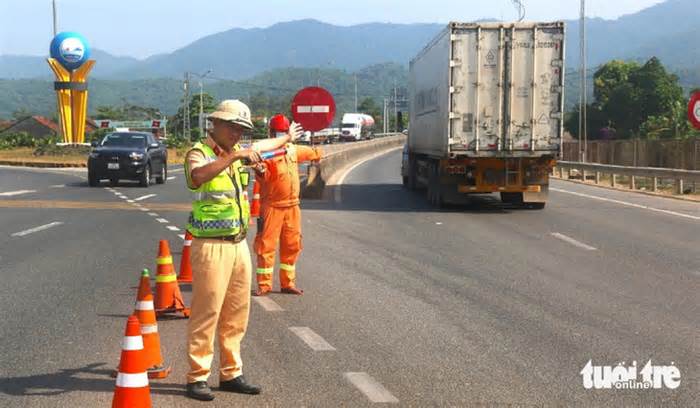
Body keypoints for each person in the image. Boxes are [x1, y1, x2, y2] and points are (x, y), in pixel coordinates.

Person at [184, 100, 302, 401]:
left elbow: (264, 144)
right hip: (210, 246)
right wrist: (235, 156)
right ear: (217, 124)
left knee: (237, 312)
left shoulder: (239, 154)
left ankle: (231, 373)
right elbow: (197, 177)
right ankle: (197, 376)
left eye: (242, 130)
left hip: (237, 245)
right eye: (234, 128)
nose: (238, 134)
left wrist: (287, 137)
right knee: (206, 312)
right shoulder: (200, 152)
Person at [253, 114, 322, 296]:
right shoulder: (266, 152)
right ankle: (264, 285)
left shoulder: (293, 150)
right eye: (279, 132)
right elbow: (264, 176)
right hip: (272, 206)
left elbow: (313, 153)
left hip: (292, 206)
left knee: (292, 245)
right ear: (271, 132)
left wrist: (317, 152)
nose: (281, 135)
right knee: (266, 246)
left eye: (284, 132)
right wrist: (260, 170)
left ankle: (287, 283)